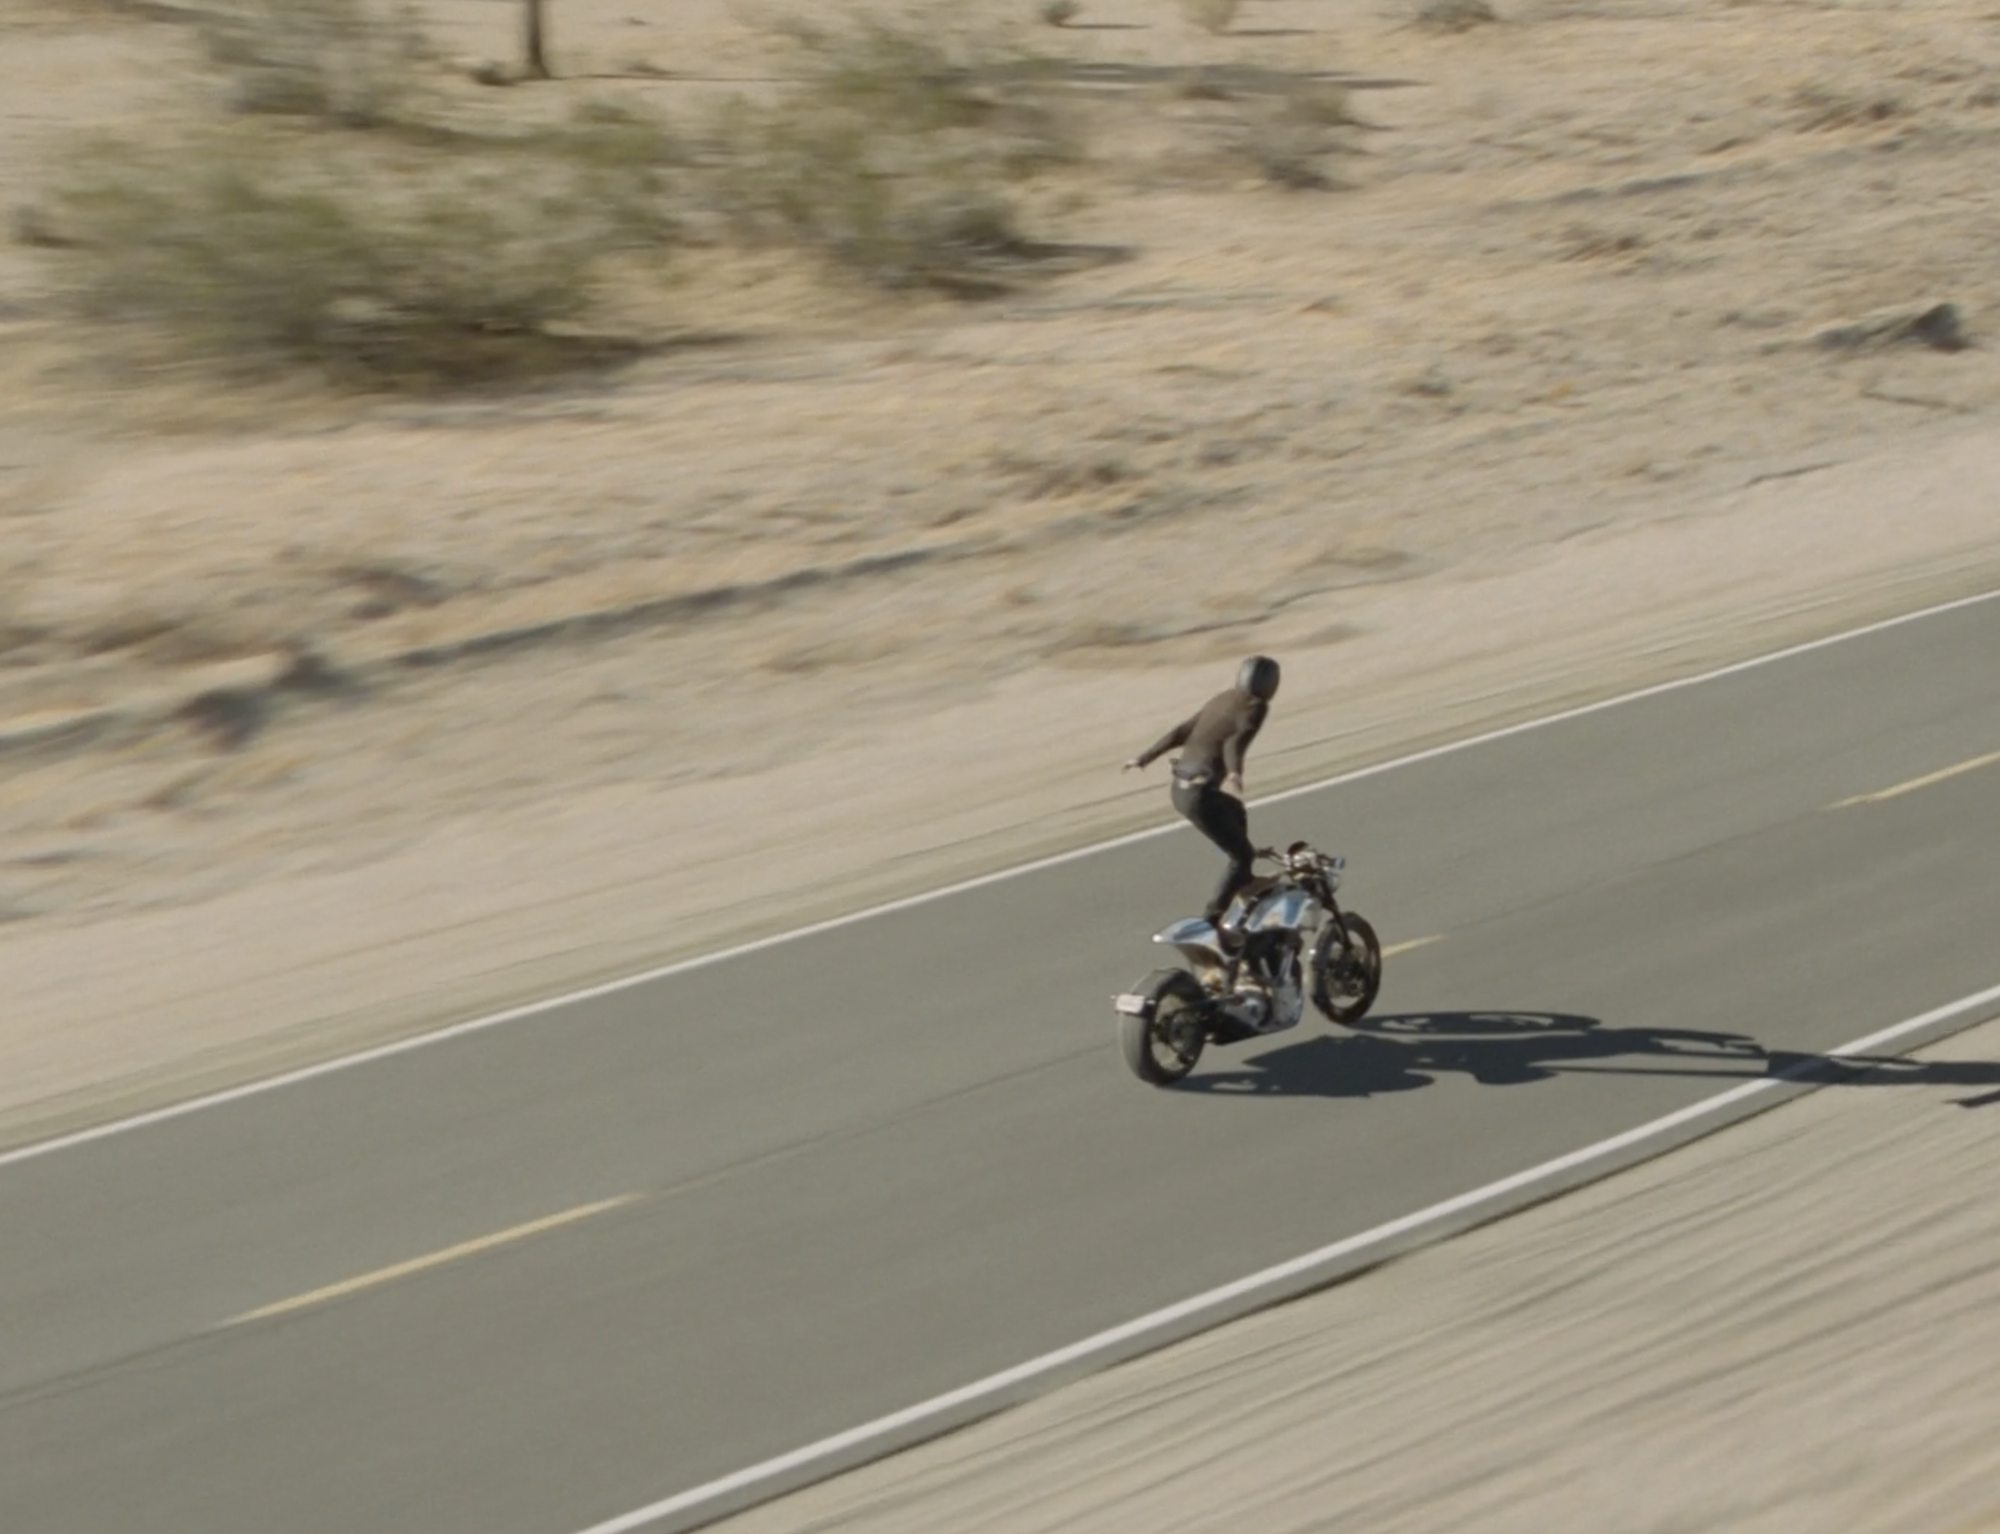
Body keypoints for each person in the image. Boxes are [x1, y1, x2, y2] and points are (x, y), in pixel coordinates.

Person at [1123, 655, 1281, 939]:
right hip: (1200, 797)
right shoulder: (1255, 707)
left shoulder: (1223, 698)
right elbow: (1235, 741)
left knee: (1235, 809)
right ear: (1271, 685)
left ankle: (1245, 881)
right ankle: (1212, 919)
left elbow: (1182, 731)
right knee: (1242, 856)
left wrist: (1144, 757)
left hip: (1180, 791)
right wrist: (1235, 771)